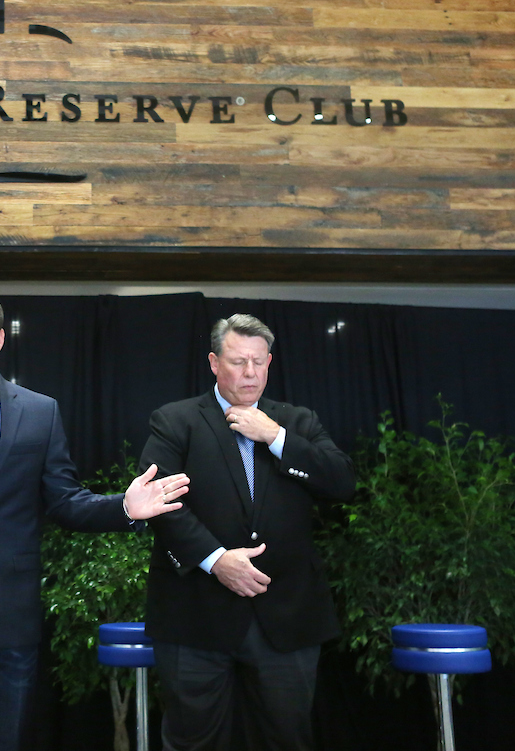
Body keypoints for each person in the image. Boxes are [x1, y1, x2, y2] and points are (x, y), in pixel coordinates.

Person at [0, 286, 189, 751]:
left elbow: (64, 502)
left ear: (0, 340)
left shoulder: (40, 412)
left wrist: (124, 508)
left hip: (7, 612)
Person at [140, 313, 355, 751]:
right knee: (192, 741)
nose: (250, 373)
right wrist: (216, 560)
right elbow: (157, 501)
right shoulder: (175, 420)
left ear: (270, 362)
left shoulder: (297, 422)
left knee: (287, 740)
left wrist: (276, 437)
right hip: (195, 617)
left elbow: (342, 483)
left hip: (287, 617)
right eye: (239, 362)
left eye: (259, 362)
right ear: (214, 363)